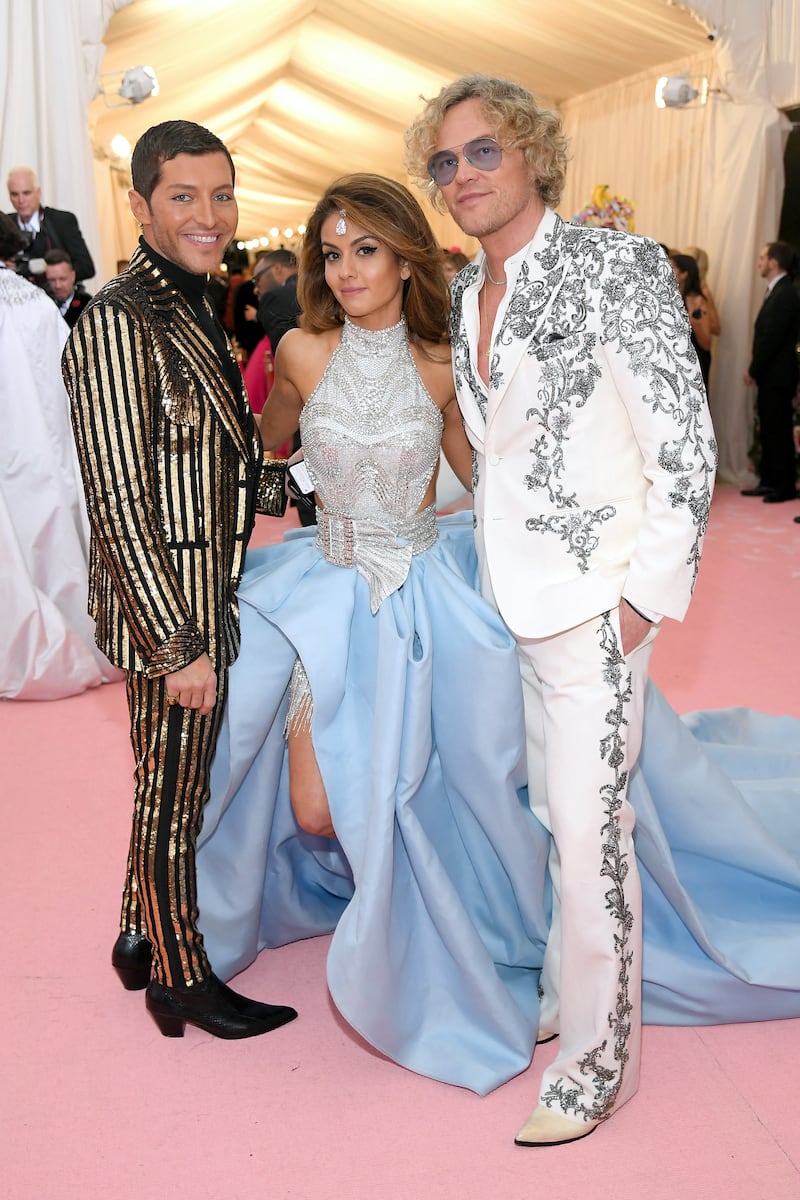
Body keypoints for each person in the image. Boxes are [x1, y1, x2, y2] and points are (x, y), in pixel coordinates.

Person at [194, 174, 800, 1111]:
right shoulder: (301, 352)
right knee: (316, 810)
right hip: (328, 593)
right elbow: (267, 463)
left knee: (467, 783)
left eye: (366, 250)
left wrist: (591, 536)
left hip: (435, 596)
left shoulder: (446, 361)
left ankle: (450, 926)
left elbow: (494, 477)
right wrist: (254, 491)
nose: (346, 269)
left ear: (404, 258)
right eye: (332, 251)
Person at [404, 74, 717, 1145]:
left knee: (589, 836)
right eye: (444, 162)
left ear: (531, 149)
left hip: (594, 607)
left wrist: (639, 602)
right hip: (514, 603)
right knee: (555, 819)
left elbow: (682, 441)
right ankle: (566, 995)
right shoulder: (462, 291)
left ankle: (597, 1064)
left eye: (481, 152)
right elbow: (494, 455)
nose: (461, 177)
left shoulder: (611, 265)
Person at [61, 119, 297, 1041]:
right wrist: (176, 646)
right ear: (141, 205)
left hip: (199, 589)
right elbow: (118, 497)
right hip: (171, 609)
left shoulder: (193, 298)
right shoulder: (122, 318)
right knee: (175, 795)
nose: (211, 215)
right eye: (184, 197)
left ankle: (135, 931)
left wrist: (317, 485)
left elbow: (215, 463)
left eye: (222, 194)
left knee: (166, 780)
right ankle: (179, 977)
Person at [0, 213, 116, 699]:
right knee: (54, 541)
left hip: (15, 446)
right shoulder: (36, 302)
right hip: (45, 451)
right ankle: (76, 631)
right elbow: (72, 379)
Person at [741, 241, 800, 505]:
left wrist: (753, 369)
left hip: (778, 375)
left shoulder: (785, 292)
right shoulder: (777, 291)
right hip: (772, 375)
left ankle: (783, 485)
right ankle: (770, 481)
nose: (759, 261)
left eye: (763, 257)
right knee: (769, 428)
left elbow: (772, 338)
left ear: (774, 262)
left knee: (778, 429)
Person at [6, 166, 95, 283]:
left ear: (38, 193)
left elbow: (86, 267)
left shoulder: (61, 221)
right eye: (15, 194)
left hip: (55, 298)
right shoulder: (5, 225)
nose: (21, 200)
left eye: (26, 193)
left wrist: (45, 270)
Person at [670, 252, 713, 392]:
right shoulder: (671, 297)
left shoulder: (696, 301)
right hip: (677, 358)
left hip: (695, 359)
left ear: (684, 274)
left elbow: (706, 343)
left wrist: (691, 320)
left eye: (672, 268)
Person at [44, 250, 92, 328]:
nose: (57, 285)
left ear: (73, 276)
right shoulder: (45, 306)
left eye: (62, 279)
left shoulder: (87, 304)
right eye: (52, 280)